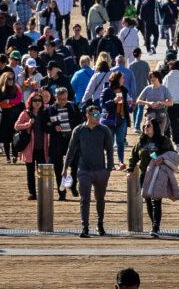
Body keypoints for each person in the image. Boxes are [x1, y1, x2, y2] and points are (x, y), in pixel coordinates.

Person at [65, 103, 115, 237]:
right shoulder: (78, 130)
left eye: (99, 114)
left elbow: (110, 150)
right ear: (87, 115)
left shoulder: (104, 130)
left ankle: (100, 224)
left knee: (100, 199)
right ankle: (85, 227)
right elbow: (71, 150)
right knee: (84, 199)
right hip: (84, 169)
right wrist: (65, 168)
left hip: (100, 170)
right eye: (95, 115)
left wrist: (109, 168)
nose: (98, 117)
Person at [128, 118, 176, 237]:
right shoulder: (141, 141)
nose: (145, 128)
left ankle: (155, 227)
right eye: (144, 126)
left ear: (155, 127)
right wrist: (130, 169)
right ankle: (153, 223)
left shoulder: (164, 141)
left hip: (158, 174)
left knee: (156, 201)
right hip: (145, 174)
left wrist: (163, 159)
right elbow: (134, 156)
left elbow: (173, 155)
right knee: (148, 199)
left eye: (148, 126)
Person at [14, 93, 51, 199]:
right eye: (35, 100)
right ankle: (32, 193)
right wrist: (28, 124)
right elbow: (16, 126)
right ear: (30, 101)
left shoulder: (45, 113)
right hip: (29, 148)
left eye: (39, 100)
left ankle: (43, 192)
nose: (37, 102)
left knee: (42, 172)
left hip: (42, 147)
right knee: (30, 172)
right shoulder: (25, 113)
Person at [47, 87, 81, 199]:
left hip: (71, 140)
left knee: (74, 165)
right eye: (60, 99)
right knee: (58, 168)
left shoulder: (73, 107)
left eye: (65, 99)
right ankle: (62, 193)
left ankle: (73, 185)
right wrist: (53, 127)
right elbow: (45, 125)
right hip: (57, 141)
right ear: (55, 98)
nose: (63, 101)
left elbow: (79, 121)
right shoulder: (50, 109)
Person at [99, 71, 132, 167]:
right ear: (117, 79)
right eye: (122, 79)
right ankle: (110, 162)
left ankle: (120, 161)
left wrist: (130, 106)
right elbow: (102, 105)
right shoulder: (107, 90)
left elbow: (125, 105)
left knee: (120, 141)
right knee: (110, 143)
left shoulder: (124, 90)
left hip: (121, 119)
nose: (123, 80)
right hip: (110, 119)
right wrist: (113, 101)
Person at [0, 71, 24, 163]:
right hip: (5, 115)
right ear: (5, 79)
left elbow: (19, 99)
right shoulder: (0, 89)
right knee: (6, 137)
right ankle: (8, 157)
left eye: (12, 79)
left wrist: (9, 102)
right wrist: (7, 103)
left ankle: (15, 155)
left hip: (15, 114)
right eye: (9, 79)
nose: (11, 81)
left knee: (14, 136)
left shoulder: (16, 87)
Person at [136, 70, 173, 137]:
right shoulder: (147, 88)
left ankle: (161, 139)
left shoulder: (164, 89)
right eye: (151, 77)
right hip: (150, 111)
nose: (152, 79)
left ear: (158, 78)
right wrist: (148, 103)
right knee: (148, 127)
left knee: (161, 131)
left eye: (154, 77)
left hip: (161, 111)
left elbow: (171, 103)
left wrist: (161, 102)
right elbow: (138, 101)